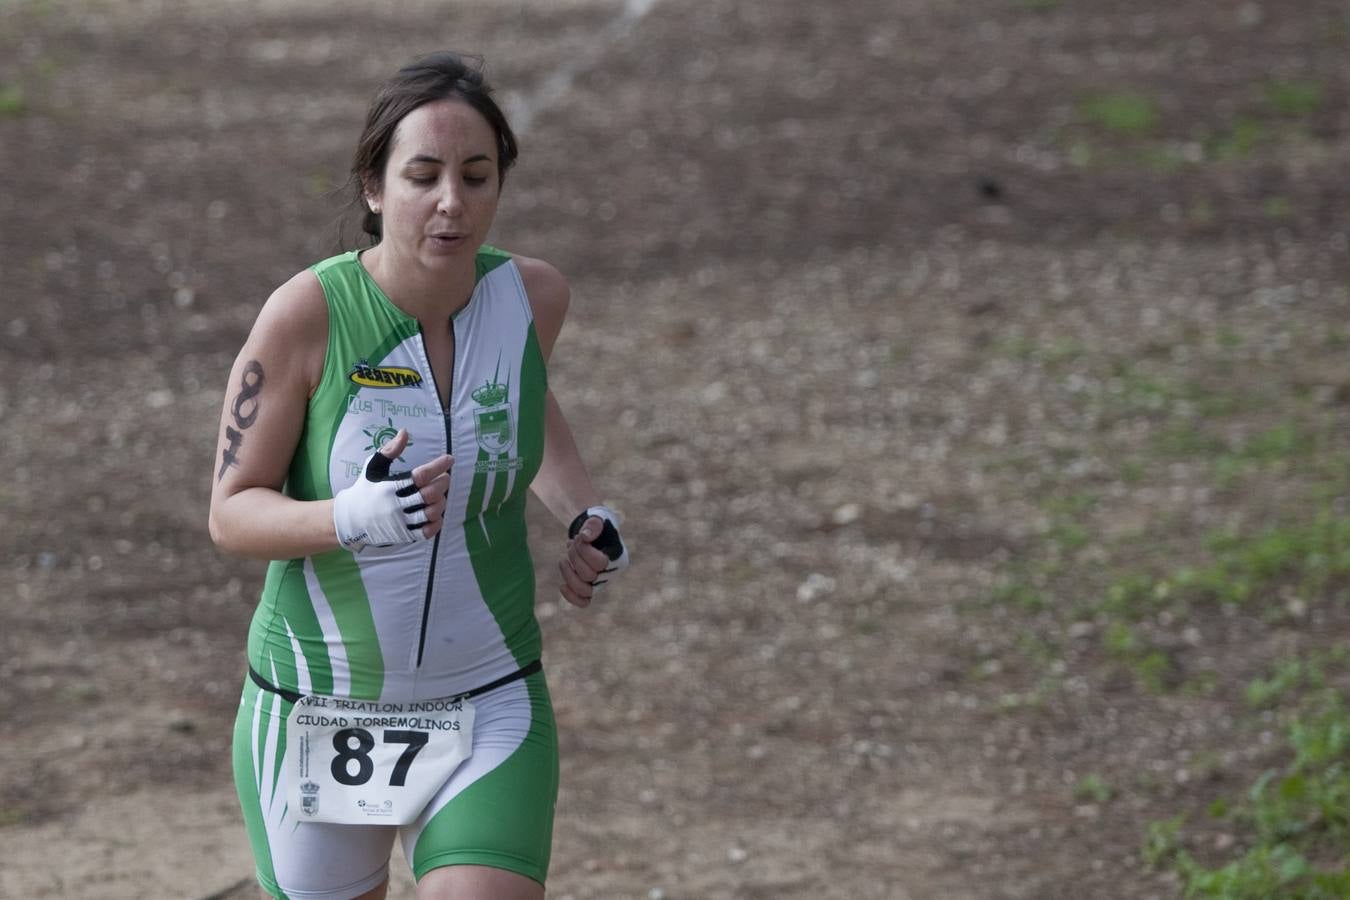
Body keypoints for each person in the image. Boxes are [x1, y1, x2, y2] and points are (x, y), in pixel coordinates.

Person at [207, 50, 629, 900]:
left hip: (488, 698)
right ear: (374, 185)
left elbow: (521, 407)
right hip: (316, 711)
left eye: (477, 177)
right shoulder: (307, 314)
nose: (452, 202)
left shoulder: (532, 298)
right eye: (424, 175)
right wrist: (350, 516)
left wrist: (587, 514)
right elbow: (231, 513)